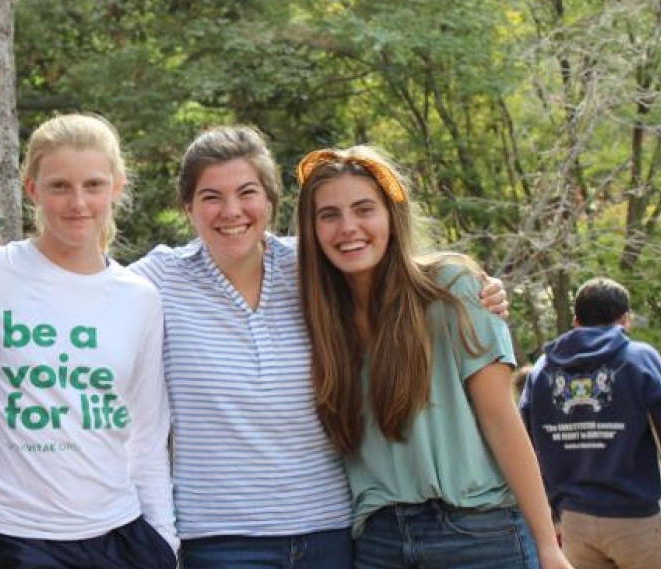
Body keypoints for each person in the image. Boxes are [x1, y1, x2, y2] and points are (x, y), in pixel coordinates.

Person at [128, 126, 508, 569]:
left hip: (330, 531)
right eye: (211, 196)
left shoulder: (316, 268)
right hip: (218, 538)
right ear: (188, 207)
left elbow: (394, 274)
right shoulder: (155, 282)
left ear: (270, 201)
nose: (231, 211)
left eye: (247, 192)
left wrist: (480, 291)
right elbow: (83, 293)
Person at [293, 145, 570, 569]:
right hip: (379, 542)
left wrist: (548, 545)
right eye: (328, 215)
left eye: (364, 209)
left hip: (479, 533)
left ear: (392, 215)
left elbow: (501, 418)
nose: (348, 227)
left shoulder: (452, 289)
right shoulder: (319, 318)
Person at [0, 113, 177, 569]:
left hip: (120, 537)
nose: (78, 202)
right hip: (12, 538)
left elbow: (146, 433)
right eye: (59, 186)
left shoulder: (140, 298)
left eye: (93, 185)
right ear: (32, 190)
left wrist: (164, 543)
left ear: (117, 187)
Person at [520, 277, 661, 568]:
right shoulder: (639, 358)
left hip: (573, 521)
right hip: (636, 517)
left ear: (576, 321)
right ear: (625, 319)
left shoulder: (541, 371)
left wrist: (550, 513)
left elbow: (524, 442)